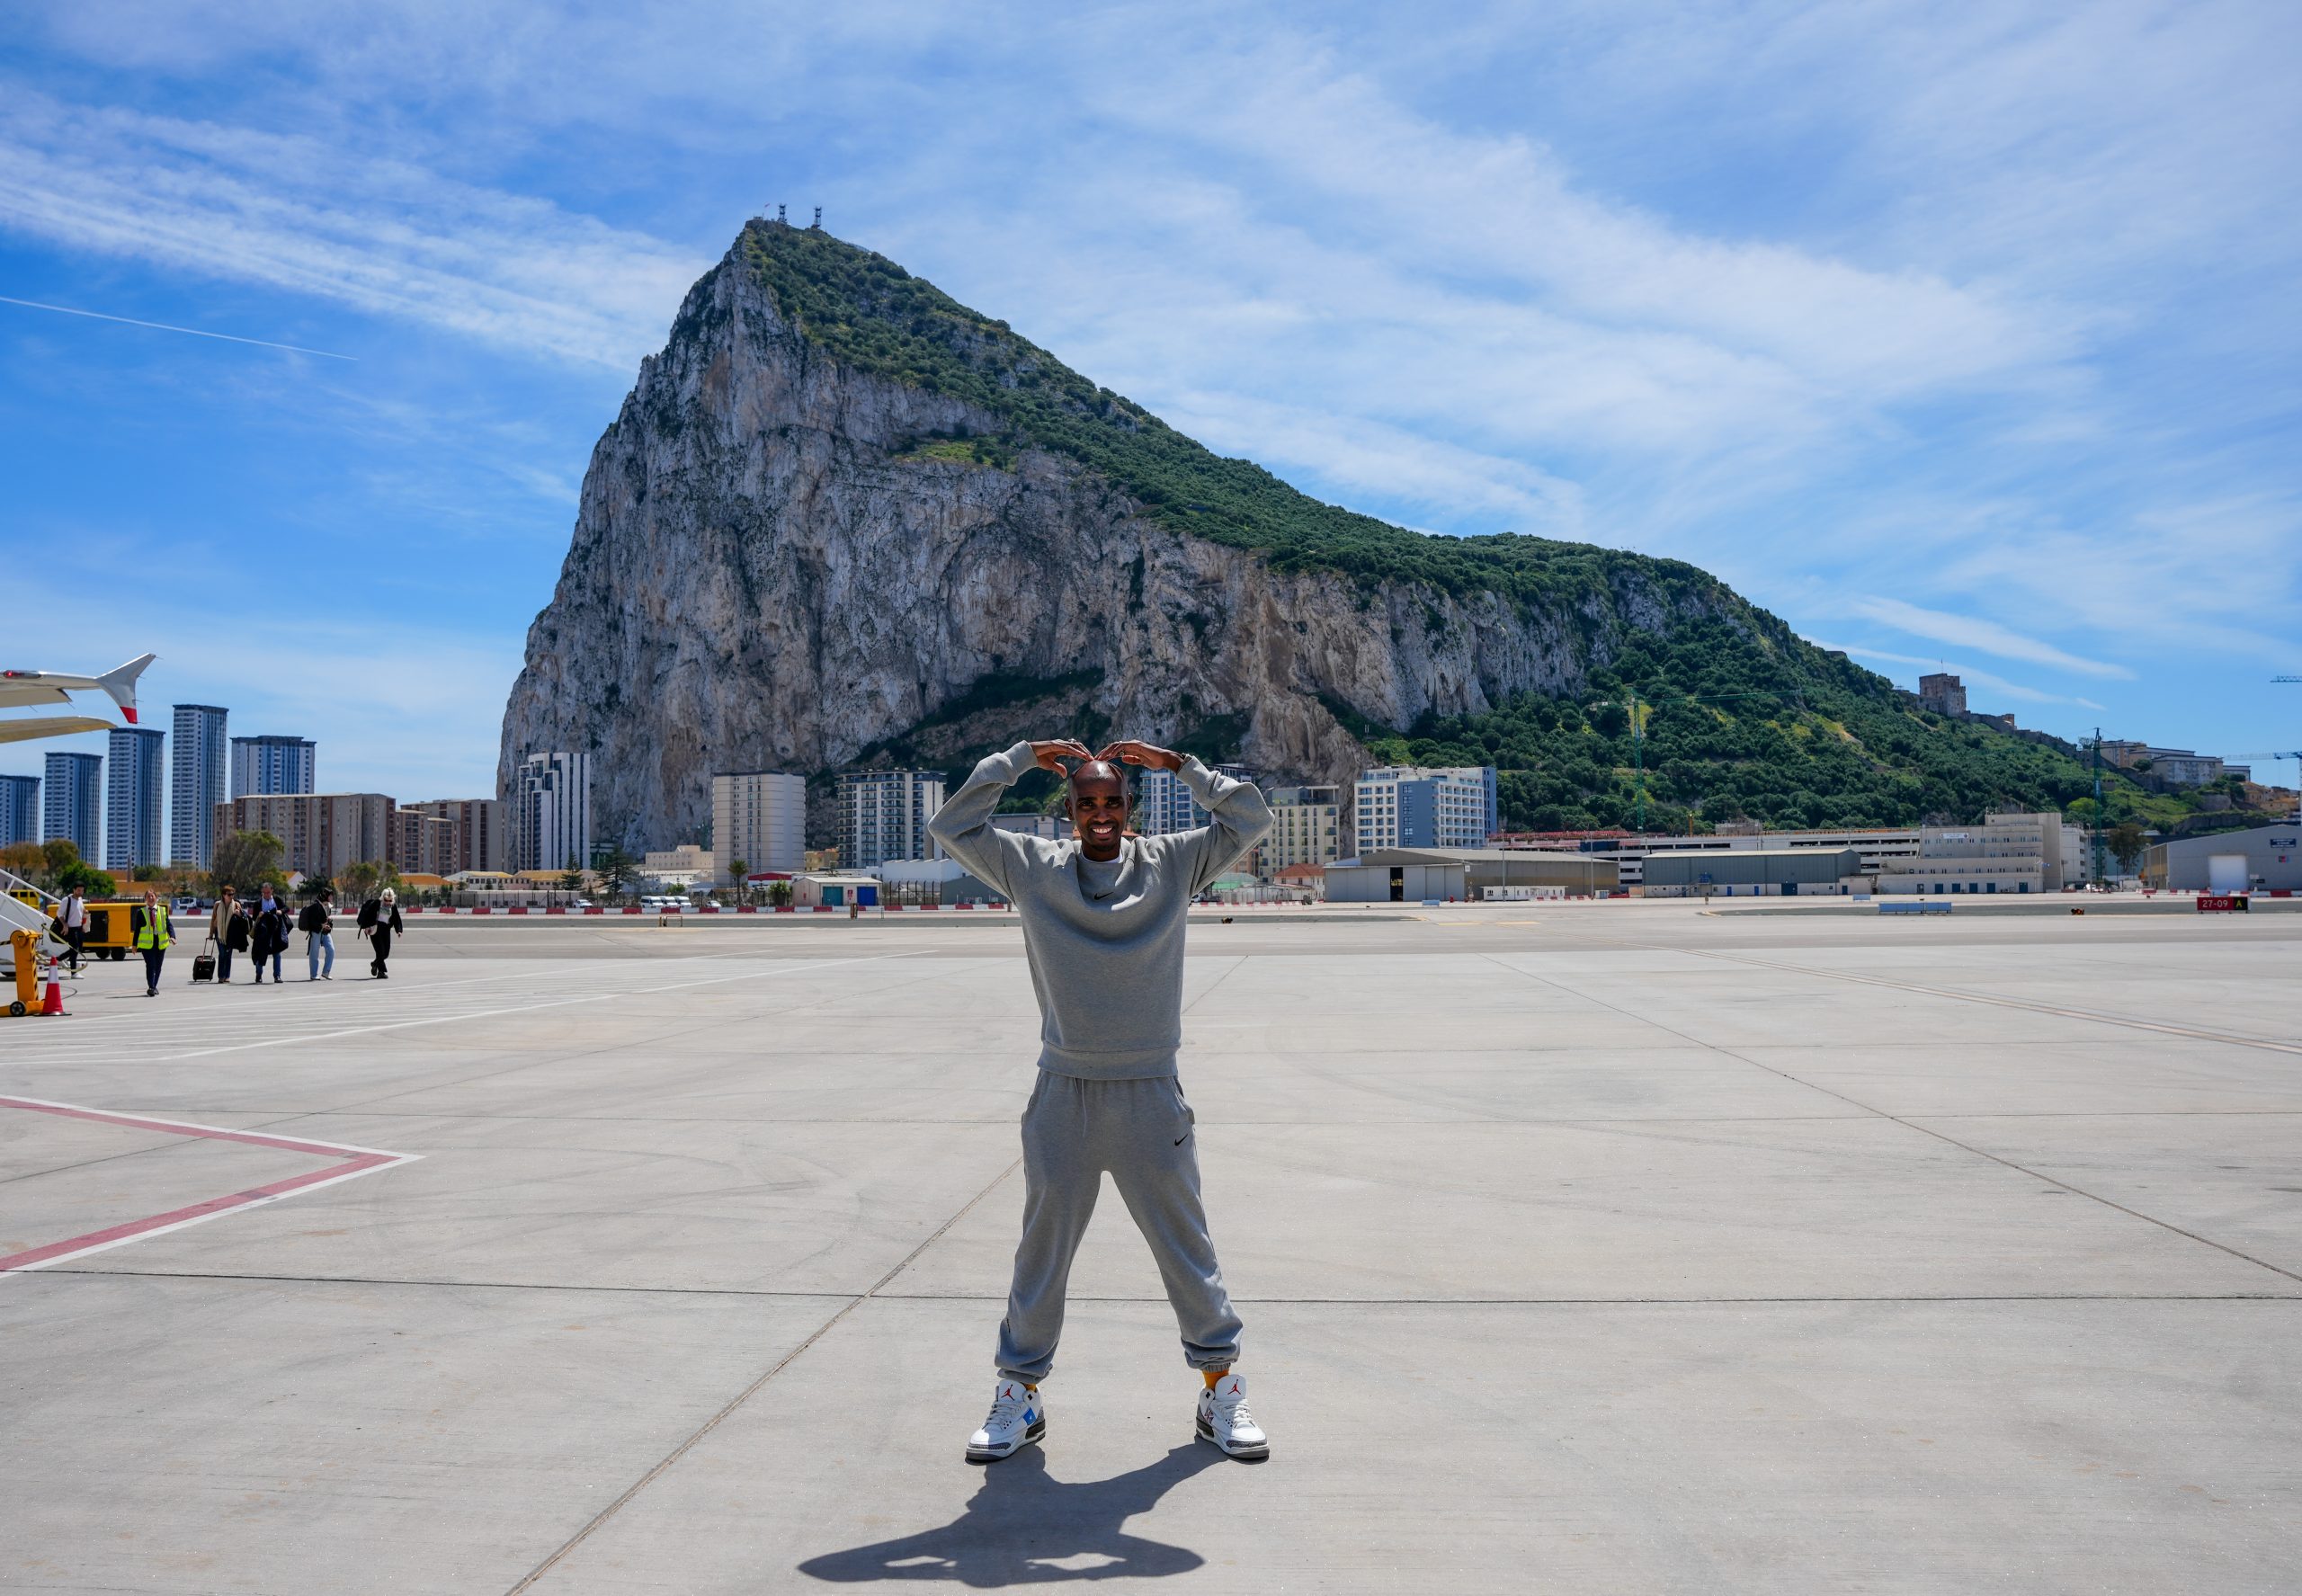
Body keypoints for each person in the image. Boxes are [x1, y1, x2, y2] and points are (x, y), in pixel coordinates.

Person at [928, 736, 1272, 1465]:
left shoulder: (1173, 862)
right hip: (1065, 1093)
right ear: (1070, 810)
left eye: (1112, 801)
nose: (1101, 813)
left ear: (1129, 806)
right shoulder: (1032, 868)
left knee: (1187, 1249)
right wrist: (1017, 758)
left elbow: (1250, 818)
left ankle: (1221, 1388)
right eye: (1087, 803)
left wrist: (1180, 763)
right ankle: (1019, 1393)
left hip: (1151, 1093)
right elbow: (951, 826)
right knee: (1042, 1253)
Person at [129, 887, 172, 997]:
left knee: (158, 966)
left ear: (156, 898)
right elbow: (137, 930)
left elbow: (168, 925)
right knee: (150, 965)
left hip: (160, 943)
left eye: (152, 896)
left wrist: (173, 936)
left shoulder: (162, 910)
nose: (151, 898)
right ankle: (151, 987)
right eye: (148, 896)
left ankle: (154, 986)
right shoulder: (141, 912)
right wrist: (134, 945)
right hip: (147, 945)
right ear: (145, 899)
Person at [249, 885, 290, 985]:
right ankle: (259, 975)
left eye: (268, 892)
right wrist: (259, 915)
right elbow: (254, 917)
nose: (266, 894)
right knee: (260, 953)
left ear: (272, 891)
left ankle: (277, 976)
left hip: (276, 931)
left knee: (277, 954)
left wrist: (280, 911)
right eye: (264, 893)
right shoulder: (258, 903)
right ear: (262, 891)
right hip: (263, 931)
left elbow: (287, 908)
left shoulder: (277, 899)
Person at [360, 887, 404, 978]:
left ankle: (375, 964)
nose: (387, 902)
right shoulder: (377, 904)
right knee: (380, 951)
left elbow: (396, 918)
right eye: (386, 900)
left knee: (386, 953)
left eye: (390, 900)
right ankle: (381, 972)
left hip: (386, 929)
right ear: (382, 898)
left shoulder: (393, 906)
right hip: (376, 929)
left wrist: (399, 930)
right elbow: (368, 915)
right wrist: (366, 927)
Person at [208, 885, 243, 983]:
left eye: (233, 894)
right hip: (219, 932)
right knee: (222, 953)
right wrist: (211, 933)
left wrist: (239, 914)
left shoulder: (236, 904)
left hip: (231, 933)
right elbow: (213, 919)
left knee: (228, 954)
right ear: (224, 895)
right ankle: (221, 976)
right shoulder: (217, 905)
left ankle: (227, 976)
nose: (231, 896)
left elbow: (242, 918)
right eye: (229, 894)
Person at [299, 887, 335, 981]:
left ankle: (326, 972)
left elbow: (326, 918)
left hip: (325, 932)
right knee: (314, 953)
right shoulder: (315, 906)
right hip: (316, 932)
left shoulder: (327, 906)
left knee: (331, 950)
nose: (332, 897)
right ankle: (314, 974)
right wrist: (321, 926)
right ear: (325, 896)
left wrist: (329, 924)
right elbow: (312, 922)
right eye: (330, 895)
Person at [59, 884, 86, 973]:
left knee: (78, 949)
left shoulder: (80, 899)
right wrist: (65, 924)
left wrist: (85, 911)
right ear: (74, 890)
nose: (80, 892)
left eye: (82, 890)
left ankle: (59, 959)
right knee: (74, 949)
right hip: (71, 928)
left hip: (79, 928)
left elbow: (81, 910)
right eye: (78, 890)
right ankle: (73, 972)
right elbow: (59, 914)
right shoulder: (67, 900)